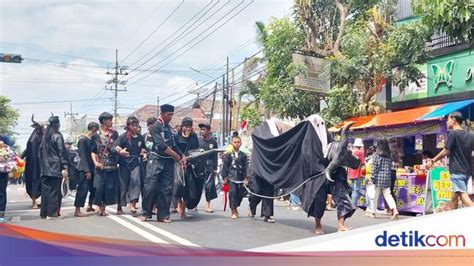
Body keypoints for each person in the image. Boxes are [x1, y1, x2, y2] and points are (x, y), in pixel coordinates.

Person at [140, 104, 186, 223]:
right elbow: (161, 145)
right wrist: (175, 155)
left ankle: (163, 215)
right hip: (156, 159)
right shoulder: (155, 127)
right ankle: (146, 213)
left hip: (168, 161)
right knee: (150, 187)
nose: (170, 117)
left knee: (167, 188)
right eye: (168, 114)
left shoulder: (169, 128)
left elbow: (174, 145)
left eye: (172, 114)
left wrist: (181, 155)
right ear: (162, 114)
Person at [427, 111, 474, 209]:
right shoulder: (470, 135)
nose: (447, 122)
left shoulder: (453, 134)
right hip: (466, 171)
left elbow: (445, 151)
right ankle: (452, 219)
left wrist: (433, 160)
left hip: (457, 171)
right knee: (454, 197)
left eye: (448, 119)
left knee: (462, 195)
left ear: (454, 120)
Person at [115, 117, 147, 214]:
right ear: (128, 126)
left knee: (136, 182)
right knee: (123, 185)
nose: (134, 127)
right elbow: (115, 146)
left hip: (135, 163)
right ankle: (119, 206)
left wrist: (143, 152)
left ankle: (133, 205)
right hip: (124, 164)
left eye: (136, 125)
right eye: (132, 125)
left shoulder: (140, 137)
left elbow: (143, 148)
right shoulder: (123, 137)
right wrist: (120, 151)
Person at [39, 116, 69, 220]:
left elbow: (40, 153)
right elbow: (61, 152)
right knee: (54, 191)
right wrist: (65, 166)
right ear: (57, 124)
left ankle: (44, 213)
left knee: (45, 191)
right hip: (55, 167)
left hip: (44, 168)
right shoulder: (57, 136)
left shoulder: (44, 137)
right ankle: (52, 214)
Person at [91, 112, 119, 216]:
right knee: (99, 187)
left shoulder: (114, 134)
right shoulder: (96, 135)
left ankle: (103, 207)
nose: (111, 122)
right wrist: (95, 162)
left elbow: (117, 146)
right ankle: (98, 204)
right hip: (100, 166)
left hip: (111, 165)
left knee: (109, 187)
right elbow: (93, 151)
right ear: (103, 121)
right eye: (110, 120)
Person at [171, 117, 200, 219]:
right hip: (178, 164)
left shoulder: (194, 137)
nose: (188, 129)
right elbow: (173, 149)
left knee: (189, 188)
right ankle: (178, 204)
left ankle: (183, 209)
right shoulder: (176, 137)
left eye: (190, 127)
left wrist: (188, 159)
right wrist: (180, 159)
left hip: (189, 165)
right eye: (186, 126)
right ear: (182, 127)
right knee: (178, 186)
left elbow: (195, 151)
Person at [367, 139, 399, 220]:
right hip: (387, 178)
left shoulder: (376, 156)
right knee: (388, 195)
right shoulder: (388, 156)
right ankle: (395, 210)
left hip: (378, 178)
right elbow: (389, 168)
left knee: (375, 196)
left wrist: (372, 178)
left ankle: (373, 213)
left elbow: (374, 169)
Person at [74, 122, 99, 217]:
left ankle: (90, 205)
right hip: (84, 169)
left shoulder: (91, 140)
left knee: (93, 188)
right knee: (82, 189)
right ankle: (77, 210)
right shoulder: (83, 140)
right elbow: (83, 156)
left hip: (91, 168)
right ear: (93, 129)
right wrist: (86, 170)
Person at [221, 136, 248, 219]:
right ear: (232, 143)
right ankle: (233, 211)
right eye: (235, 142)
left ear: (241, 143)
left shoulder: (243, 155)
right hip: (231, 178)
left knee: (240, 194)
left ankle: (236, 207)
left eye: (238, 142)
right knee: (233, 194)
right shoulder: (228, 155)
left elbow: (246, 167)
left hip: (240, 178)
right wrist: (224, 178)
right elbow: (225, 166)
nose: (237, 144)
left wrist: (246, 178)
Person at [22, 117, 44, 209]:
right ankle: (34, 202)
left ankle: (44, 202)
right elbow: (27, 151)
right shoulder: (32, 140)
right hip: (33, 166)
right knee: (34, 182)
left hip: (43, 165)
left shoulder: (45, 138)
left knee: (44, 183)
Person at [198, 123, 219, 213]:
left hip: (209, 165)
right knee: (197, 184)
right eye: (201, 129)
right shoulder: (197, 140)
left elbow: (215, 155)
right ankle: (194, 204)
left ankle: (208, 204)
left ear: (209, 131)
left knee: (209, 186)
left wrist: (215, 168)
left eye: (204, 129)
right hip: (198, 165)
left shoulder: (213, 141)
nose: (202, 131)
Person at [0, 141, 16, 222]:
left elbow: (12, 155)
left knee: (2, 192)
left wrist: (5, 145)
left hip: (3, 171)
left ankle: (1, 214)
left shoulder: (5, 140)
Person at [348, 138, 365, 206]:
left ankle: (353, 203)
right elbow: (363, 163)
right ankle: (354, 205)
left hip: (351, 172)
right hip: (358, 173)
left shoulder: (351, 152)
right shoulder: (360, 152)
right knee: (356, 189)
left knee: (353, 189)